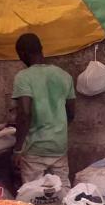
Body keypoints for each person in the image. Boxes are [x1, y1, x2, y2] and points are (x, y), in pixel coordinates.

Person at [11, 34, 76, 187]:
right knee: (62, 191)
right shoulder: (64, 76)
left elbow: (25, 114)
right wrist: (56, 130)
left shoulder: (23, 77)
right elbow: (71, 113)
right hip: (59, 146)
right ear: (41, 50)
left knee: (34, 193)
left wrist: (17, 149)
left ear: (23, 53)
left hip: (35, 148)